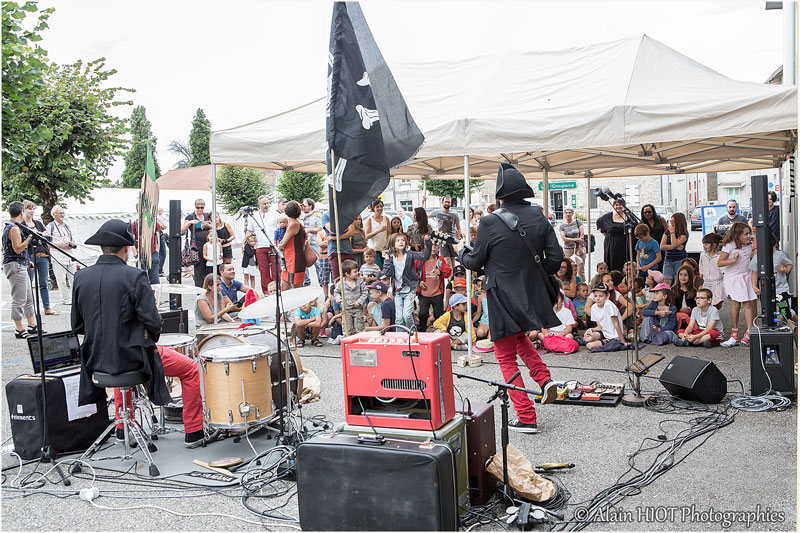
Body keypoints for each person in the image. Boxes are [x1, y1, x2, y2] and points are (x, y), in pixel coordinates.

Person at [71, 219, 214, 448]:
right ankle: (194, 431)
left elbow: (77, 325)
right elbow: (154, 323)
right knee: (191, 369)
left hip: (95, 359)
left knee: (117, 363)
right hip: (133, 358)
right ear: (126, 248)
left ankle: (123, 426)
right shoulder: (134, 276)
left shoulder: (81, 277)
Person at [457, 163, 559, 434]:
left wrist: (459, 252)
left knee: (504, 355)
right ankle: (545, 380)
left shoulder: (490, 221)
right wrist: (533, 274)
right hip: (530, 294)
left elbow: (474, 262)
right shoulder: (539, 215)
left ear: (500, 194)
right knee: (519, 339)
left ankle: (526, 416)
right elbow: (556, 259)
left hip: (501, 295)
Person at [4, 202, 40, 338]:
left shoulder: (14, 226)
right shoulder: (13, 228)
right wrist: (30, 237)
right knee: (19, 298)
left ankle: (32, 325)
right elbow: (18, 248)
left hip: (21, 263)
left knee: (28, 297)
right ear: (21, 212)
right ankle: (19, 329)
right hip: (15, 265)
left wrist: (27, 260)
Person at [381, 232, 432, 329]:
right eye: (398, 240)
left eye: (403, 240)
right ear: (393, 244)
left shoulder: (410, 254)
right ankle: (400, 336)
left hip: (409, 289)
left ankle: (412, 333)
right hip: (398, 291)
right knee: (399, 318)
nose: (401, 242)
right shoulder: (391, 258)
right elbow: (387, 273)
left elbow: (425, 256)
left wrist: (427, 242)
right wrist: (386, 259)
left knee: (407, 315)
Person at [718, 222, 757, 347]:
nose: (749, 236)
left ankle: (750, 330)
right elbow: (720, 262)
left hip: (746, 276)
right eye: (746, 234)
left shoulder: (749, 245)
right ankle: (735, 332)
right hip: (734, 277)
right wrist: (733, 260)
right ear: (738, 235)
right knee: (737, 304)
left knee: (748, 303)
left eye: (749, 233)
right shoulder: (729, 245)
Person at [21, 201, 56, 315]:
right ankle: (29, 310)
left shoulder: (38, 223)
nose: (32, 211)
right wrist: (34, 236)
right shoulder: (21, 225)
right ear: (23, 210)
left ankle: (47, 307)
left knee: (44, 282)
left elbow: (47, 239)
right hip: (30, 256)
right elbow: (24, 243)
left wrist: (43, 236)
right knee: (28, 283)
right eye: (29, 209)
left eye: (33, 209)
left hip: (43, 255)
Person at [750, 233, 794, 319]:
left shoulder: (779, 255)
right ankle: (776, 325)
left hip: (781, 289)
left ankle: (795, 322)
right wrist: (754, 286)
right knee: (768, 312)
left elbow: (789, 264)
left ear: (775, 245)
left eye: (771, 248)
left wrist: (785, 270)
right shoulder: (757, 257)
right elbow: (754, 272)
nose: (769, 251)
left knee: (785, 311)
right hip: (766, 290)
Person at [245, 195, 279, 295]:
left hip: (273, 245)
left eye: (267, 203)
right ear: (259, 204)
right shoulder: (254, 216)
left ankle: (277, 289)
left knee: (275, 270)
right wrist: (245, 243)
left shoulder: (275, 214)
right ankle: (267, 291)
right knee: (263, 270)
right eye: (264, 204)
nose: (266, 205)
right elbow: (249, 231)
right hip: (260, 246)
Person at [45, 205, 77, 305]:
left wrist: (72, 244)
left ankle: (75, 298)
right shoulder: (50, 227)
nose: (62, 215)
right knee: (61, 279)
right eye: (60, 213)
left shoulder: (67, 226)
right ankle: (65, 299)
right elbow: (47, 243)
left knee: (74, 277)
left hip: (69, 256)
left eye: (63, 213)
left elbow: (72, 238)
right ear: (54, 214)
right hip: (58, 256)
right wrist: (60, 245)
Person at [418, 241, 451, 332]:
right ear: (425, 247)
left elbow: (448, 272)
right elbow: (413, 273)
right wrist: (419, 282)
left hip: (437, 293)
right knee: (423, 314)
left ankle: (438, 333)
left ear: (439, 247)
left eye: (436, 245)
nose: (433, 247)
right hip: (424, 293)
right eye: (431, 245)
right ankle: (422, 331)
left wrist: (440, 272)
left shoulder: (440, 260)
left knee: (438, 315)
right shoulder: (421, 260)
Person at [180, 199, 213, 287]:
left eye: (202, 207)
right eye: (198, 207)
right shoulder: (190, 217)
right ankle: (199, 288)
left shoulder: (207, 215)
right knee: (199, 268)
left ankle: (209, 287)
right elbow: (182, 230)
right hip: (197, 246)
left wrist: (207, 224)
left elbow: (215, 226)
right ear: (195, 207)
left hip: (209, 244)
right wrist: (190, 222)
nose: (200, 209)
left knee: (209, 267)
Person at [424, 195, 462, 269]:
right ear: (442, 203)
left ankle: (452, 276)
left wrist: (457, 240)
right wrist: (423, 202)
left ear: (450, 203)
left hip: (452, 240)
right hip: (442, 240)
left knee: (453, 263)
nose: (447, 203)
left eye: (448, 202)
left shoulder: (455, 214)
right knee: (447, 262)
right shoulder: (437, 212)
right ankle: (448, 275)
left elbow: (458, 228)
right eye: (445, 202)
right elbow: (425, 216)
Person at [583, 283, 625, 349]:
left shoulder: (609, 304)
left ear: (607, 296)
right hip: (604, 332)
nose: (597, 298)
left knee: (589, 345)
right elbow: (599, 327)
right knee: (587, 338)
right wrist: (591, 329)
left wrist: (623, 342)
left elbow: (616, 324)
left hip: (614, 336)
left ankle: (607, 342)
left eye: (600, 296)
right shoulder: (594, 307)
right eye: (595, 296)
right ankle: (600, 341)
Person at [277, 200, 307, 288]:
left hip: (294, 259)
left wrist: (278, 246)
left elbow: (282, 243)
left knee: (295, 288)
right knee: (285, 285)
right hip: (291, 258)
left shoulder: (293, 224)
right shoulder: (298, 223)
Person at [334, 259, 368, 335]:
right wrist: (338, 298)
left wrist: (359, 301)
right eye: (355, 271)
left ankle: (359, 340)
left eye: (357, 271)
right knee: (347, 328)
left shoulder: (360, 281)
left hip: (358, 308)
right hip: (346, 309)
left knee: (359, 327)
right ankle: (347, 339)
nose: (357, 273)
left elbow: (365, 292)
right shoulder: (341, 283)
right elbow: (337, 292)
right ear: (347, 274)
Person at [596, 198, 629, 272]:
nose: (618, 206)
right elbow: (599, 223)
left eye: (620, 205)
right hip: (611, 244)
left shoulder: (628, 216)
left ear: (624, 206)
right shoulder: (608, 216)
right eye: (616, 205)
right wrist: (607, 235)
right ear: (613, 206)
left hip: (624, 245)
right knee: (612, 263)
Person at [322, 212, 356, 281]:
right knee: (338, 279)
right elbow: (333, 230)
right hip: (335, 251)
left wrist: (336, 237)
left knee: (351, 277)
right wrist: (346, 228)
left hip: (348, 250)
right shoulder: (326, 216)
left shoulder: (347, 215)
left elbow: (352, 232)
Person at [660, 213, 689, 286]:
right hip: (668, 259)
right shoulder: (667, 232)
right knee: (666, 281)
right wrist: (675, 247)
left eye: (673, 221)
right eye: (671, 221)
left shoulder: (684, 233)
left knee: (678, 282)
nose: (671, 223)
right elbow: (662, 246)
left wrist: (672, 233)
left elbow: (674, 243)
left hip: (680, 260)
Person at [699, 233, 724, 308]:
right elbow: (701, 264)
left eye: (706, 244)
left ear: (714, 245)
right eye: (703, 244)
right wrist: (701, 272)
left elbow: (723, 268)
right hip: (707, 283)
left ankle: (714, 313)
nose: (704, 246)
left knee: (717, 303)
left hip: (717, 283)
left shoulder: (720, 256)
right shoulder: (703, 255)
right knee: (706, 302)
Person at [639, 204, 668, 271]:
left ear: (653, 212)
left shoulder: (660, 219)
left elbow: (667, 232)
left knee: (661, 267)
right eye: (645, 212)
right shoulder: (641, 223)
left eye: (649, 212)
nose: (647, 214)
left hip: (661, 246)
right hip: (649, 248)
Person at [559, 207, 585, 280]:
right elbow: (564, 238)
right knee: (568, 267)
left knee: (580, 268)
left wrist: (580, 246)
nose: (568, 214)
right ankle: (569, 282)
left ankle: (581, 283)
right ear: (564, 213)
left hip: (579, 247)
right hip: (568, 249)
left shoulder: (578, 222)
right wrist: (577, 239)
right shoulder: (562, 225)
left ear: (572, 213)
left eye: (569, 212)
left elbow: (582, 236)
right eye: (566, 212)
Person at [301, 198, 323, 284]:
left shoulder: (317, 216)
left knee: (318, 263)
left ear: (310, 206)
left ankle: (322, 281)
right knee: (303, 263)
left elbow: (320, 228)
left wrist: (309, 229)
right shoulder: (302, 216)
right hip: (304, 242)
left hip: (314, 242)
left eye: (305, 206)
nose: (303, 208)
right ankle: (306, 282)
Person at [365, 199, 390, 269]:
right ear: (373, 208)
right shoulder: (369, 219)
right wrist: (379, 230)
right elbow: (366, 236)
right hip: (374, 249)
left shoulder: (386, 218)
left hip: (384, 249)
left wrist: (388, 244)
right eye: (377, 207)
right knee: (378, 268)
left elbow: (389, 233)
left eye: (381, 206)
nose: (380, 208)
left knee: (386, 268)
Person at [671, 265, 697, 330]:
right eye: (681, 275)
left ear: (690, 276)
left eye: (685, 275)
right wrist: (679, 310)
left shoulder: (694, 291)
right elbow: (670, 306)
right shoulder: (673, 290)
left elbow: (696, 306)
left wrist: (690, 310)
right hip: (676, 315)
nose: (683, 277)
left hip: (690, 316)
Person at [157, 207, 168, 276]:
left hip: (160, 234)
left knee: (159, 253)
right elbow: (163, 227)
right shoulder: (155, 218)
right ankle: (159, 270)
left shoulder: (162, 217)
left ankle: (159, 269)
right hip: (159, 234)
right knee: (162, 253)